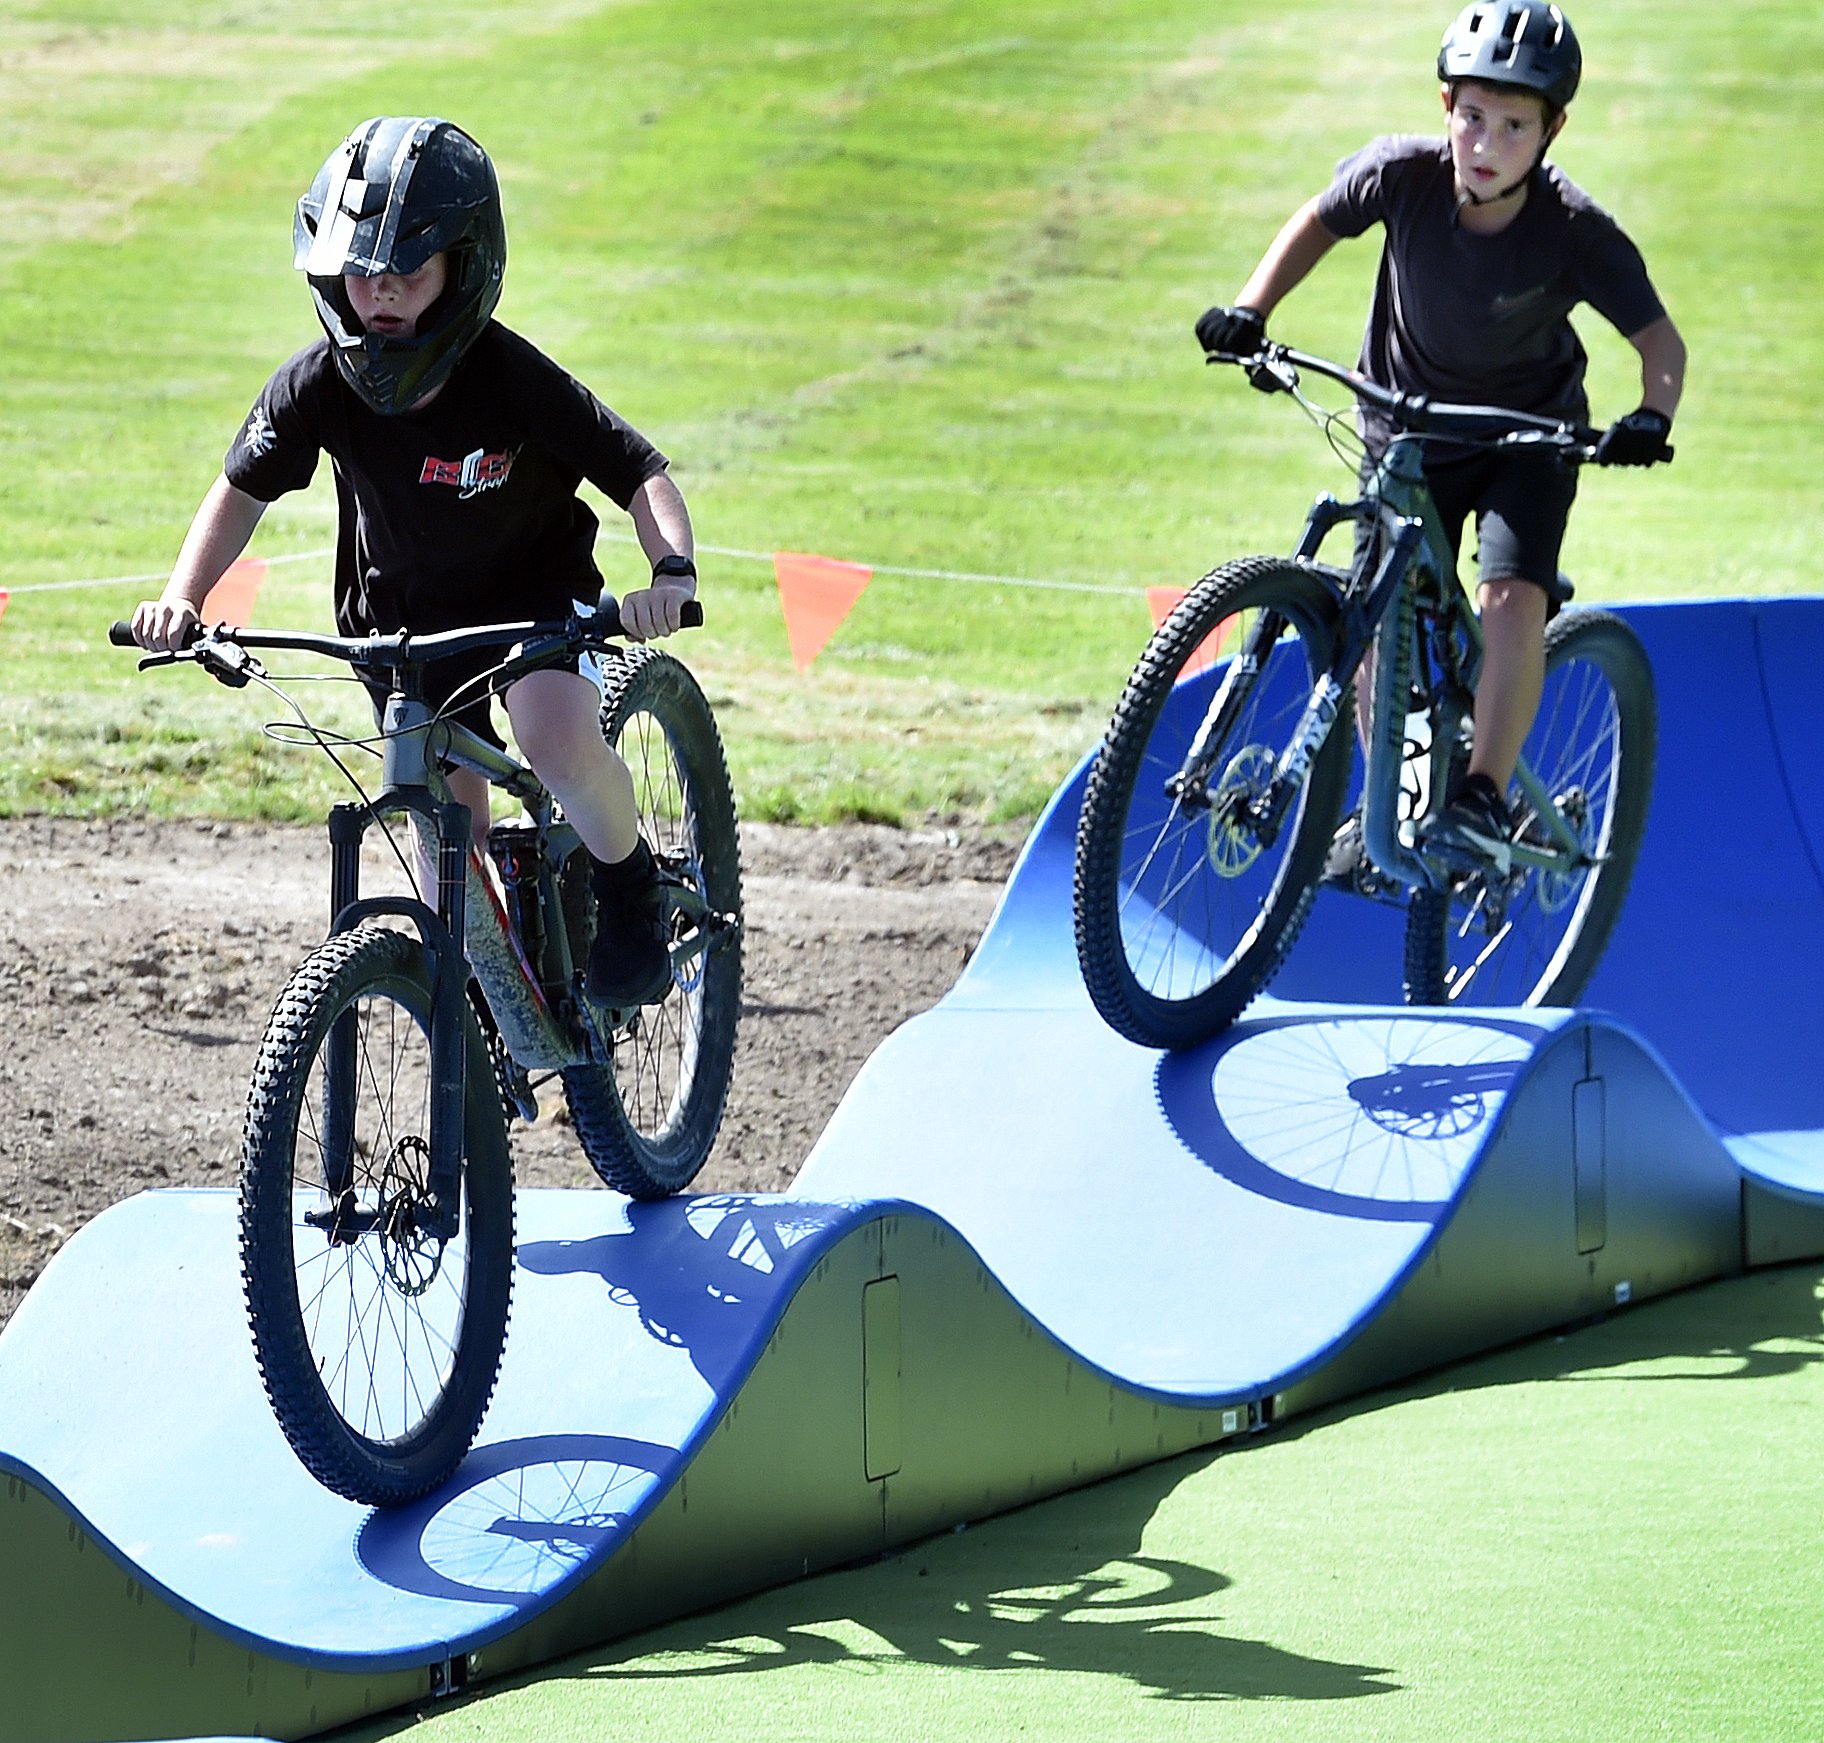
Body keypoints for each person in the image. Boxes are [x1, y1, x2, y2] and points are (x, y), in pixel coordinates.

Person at [131, 115, 697, 1006]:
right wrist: (180, 598)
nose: (382, 292)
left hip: (534, 606)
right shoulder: (317, 383)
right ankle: (476, 1006)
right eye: (362, 272)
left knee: (554, 738)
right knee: (445, 828)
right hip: (398, 628)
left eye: (408, 270)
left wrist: (670, 576)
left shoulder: (511, 377)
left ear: (465, 268)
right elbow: (240, 489)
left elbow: (640, 473)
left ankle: (629, 887)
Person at [1194, 0, 1685, 872]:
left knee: (1509, 599)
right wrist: (1249, 310)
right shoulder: (1400, 176)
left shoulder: (1575, 231)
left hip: (1522, 443)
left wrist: (1652, 416)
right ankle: (1392, 795)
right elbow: (1316, 220)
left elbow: (1661, 343)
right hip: (1403, 424)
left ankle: (1483, 799)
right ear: (1444, 106)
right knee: (1374, 609)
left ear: (1552, 129)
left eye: (1512, 125)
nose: (1485, 143)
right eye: (1470, 117)